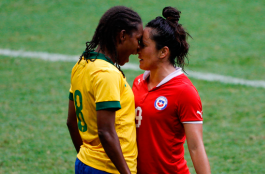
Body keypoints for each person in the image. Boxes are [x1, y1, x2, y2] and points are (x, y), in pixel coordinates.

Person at [132, 6, 211, 174]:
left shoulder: (184, 91)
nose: (137, 49)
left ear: (163, 52)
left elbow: (196, 147)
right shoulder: (138, 82)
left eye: (144, 45)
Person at [67, 6, 143, 174]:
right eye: (138, 39)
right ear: (122, 35)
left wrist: (88, 159)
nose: (139, 47)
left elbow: (71, 122)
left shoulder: (82, 64)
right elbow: (105, 131)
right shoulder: (107, 74)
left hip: (86, 162)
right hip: (109, 169)